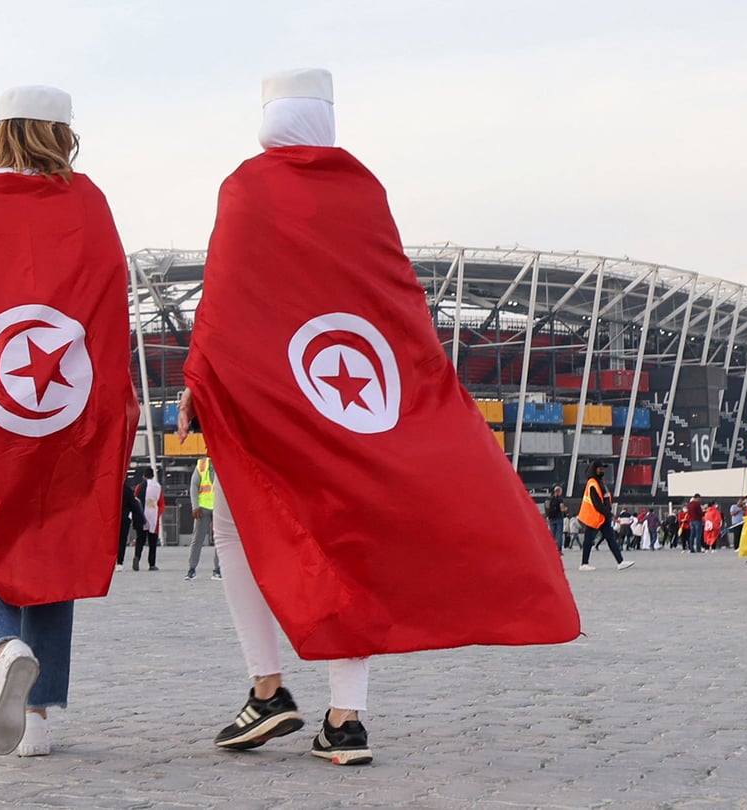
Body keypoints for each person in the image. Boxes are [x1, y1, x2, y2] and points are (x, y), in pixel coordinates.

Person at [180, 68, 579, 766]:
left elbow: (227, 293)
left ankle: (267, 687)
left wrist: (198, 376)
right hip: (352, 391)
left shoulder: (245, 187)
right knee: (349, 533)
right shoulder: (361, 189)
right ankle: (345, 719)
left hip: (276, 391)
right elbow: (391, 290)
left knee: (232, 521)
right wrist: (418, 384)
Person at [0, 85, 138, 758]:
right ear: (62, 135)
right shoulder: (87, 201)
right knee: (53, 545)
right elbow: (109, 298)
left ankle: (3, 644)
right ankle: (37, 719)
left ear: (1, 131)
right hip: (67, 406)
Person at [577, 460, 636, 572]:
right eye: (600, 468)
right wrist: (610, 514)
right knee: (589, 540)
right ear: (595, 469)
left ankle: (620, 562)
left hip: (601, 517)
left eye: (603, 468)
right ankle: (584, 564)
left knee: (611, 539)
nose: (602, 470)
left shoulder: (599, 481)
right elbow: (597, 503)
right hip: (594, 516)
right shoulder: (593, 483)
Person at [185, 457, 221, 580]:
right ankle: (191, 569)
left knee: (220, 541)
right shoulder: (202, 465)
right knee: (197, 540)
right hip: (203, 509)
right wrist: (195, 507)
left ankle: (218, 569)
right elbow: (193, 486)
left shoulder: (224, 462)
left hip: (219, 508)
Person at [132, 467, 163, 572]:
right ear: (153, 475)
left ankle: (137, 557)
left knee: (140, 540)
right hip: (153, 517)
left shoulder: (139, 487)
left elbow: (135, 501)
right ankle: (152, 564)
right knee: (152, 543)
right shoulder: (158, 487)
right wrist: (158, 515)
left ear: (144, 476)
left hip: (142, 517)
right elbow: (161, 503)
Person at [117, 480, 145, 571]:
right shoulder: (127, 489)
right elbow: (133, 505)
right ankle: (119, 562)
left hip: (110, 519)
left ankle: (108, 561)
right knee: (122, 541)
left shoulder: (110, 488)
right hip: (124, 518)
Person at [544, 485, 566, 555]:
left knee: (552, 535)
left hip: (551, 518)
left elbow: (547, 508)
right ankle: (558, 550)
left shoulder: (550, 498)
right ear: (559, 491)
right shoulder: (560, 499)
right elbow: (562, 509)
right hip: (558, 518)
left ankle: (550, 549)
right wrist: (565, 509)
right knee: (559, 535)